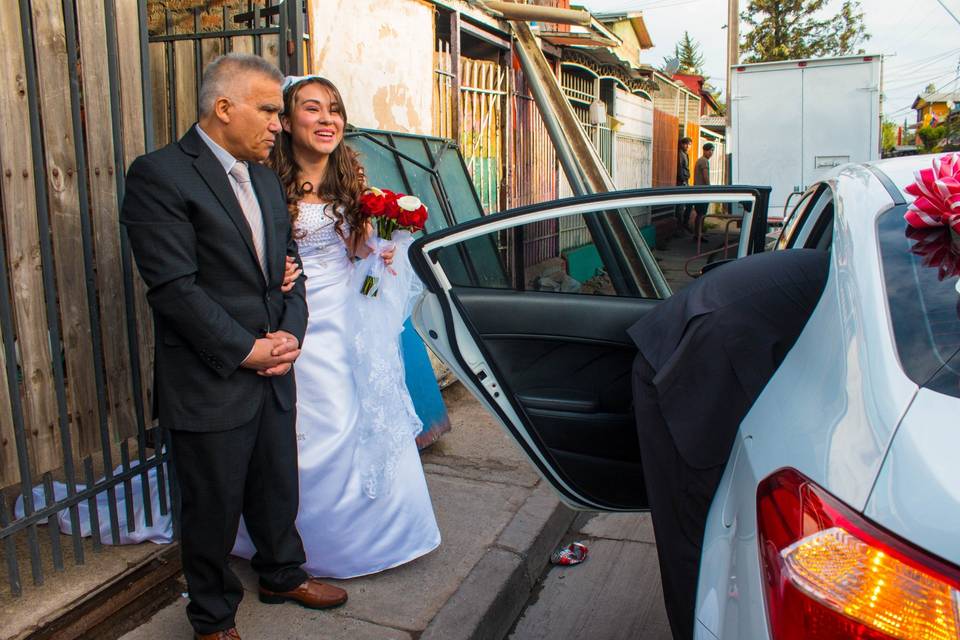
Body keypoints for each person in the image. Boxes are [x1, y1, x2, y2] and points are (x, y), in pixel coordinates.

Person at [121, 54, 347, 640]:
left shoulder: (268, 179)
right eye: (269, 110)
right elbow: (174, 289)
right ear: (224, 108)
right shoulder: (160, 175)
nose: (279, 123)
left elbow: (289, 268)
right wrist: (247, 349)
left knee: (277, 483)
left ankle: (281, 573)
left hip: (274, 367)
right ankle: (213, 617)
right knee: (213, 505)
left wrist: (290, 333)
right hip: (212, 374)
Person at [232, 75, 441, 578]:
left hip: (350, 315)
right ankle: (297, 539)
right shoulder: (263, 183)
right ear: (285, 121)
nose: (327, 120)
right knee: (308, 422)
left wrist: (379, 253)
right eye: (311, 109)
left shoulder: (352, 185)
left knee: (365, 409)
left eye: (334, 110)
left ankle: (375, 532)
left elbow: (355, 252)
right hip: (294, 318)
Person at [627, 248, 830, 640]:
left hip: (700, 355)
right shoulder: (861, 284)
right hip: (682, 375)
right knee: (693, 545)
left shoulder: (858, 264)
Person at [691, 142, 715, 242]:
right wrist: (709, 188)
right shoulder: (704, 161)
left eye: (712, 151)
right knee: (701, 214)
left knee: (700, 214)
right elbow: (705, 176)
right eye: (710, 151)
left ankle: (698, 234)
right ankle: (698, 235)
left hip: (698, 191)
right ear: (705, 150)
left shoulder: (699, 160)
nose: (711, 153)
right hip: (702, 191)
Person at [675, 137, 693, 233]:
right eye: (685, 144)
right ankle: (680, 228)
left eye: (689, 144)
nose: (687, 146)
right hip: (681, 182)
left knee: (688, 204)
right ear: (681, 144)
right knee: (680, 206)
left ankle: (684, 225)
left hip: (685, 181)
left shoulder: (685, 154)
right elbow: (680, 168)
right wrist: (682, 180)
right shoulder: (680, 154)